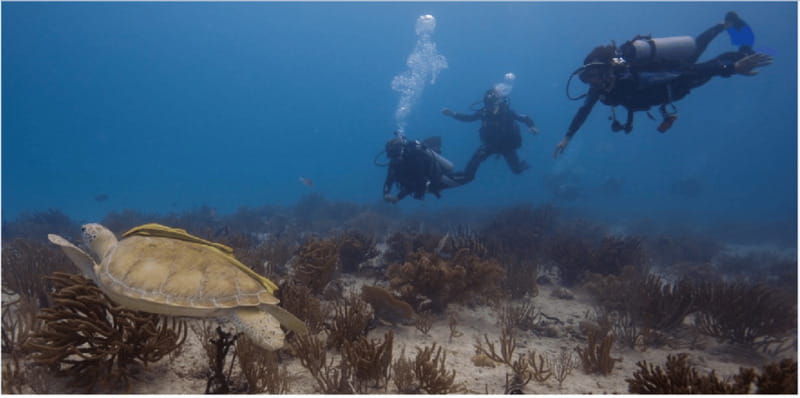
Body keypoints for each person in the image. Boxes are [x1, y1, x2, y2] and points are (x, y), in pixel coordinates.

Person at [554, 11, 773, 158]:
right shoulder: (598, 89)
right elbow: (584, 111)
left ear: (607, 70)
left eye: (595, 75)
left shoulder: (632, 78)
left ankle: (742, 52)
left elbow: (684, 73)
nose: (593, 83)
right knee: (695, 48)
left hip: (678, 81)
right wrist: (567, 137)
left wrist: (730, 69)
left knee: (706, 62)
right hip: (673, 79)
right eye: (588, 79)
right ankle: (725, 24)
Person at [442, 88, 539, 184]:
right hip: (490, 145)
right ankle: (461, 177)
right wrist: (453, 114)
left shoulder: (507, 112)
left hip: (507, 145)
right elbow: (469, 118)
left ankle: (524, 165)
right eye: (487, 105)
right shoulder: (484, 113)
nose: (490, 108)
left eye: (492, 105)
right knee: (472, 167)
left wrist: (532, 126)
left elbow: (525, 118)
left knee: (517, 170)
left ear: (498, 103)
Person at [382, 135, 460, 203]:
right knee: (467, 177)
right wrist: (386, 194)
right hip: (425, 186)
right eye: (392, 155)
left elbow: (418, 182)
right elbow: (389, 180)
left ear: (401, 149)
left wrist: (398, 197)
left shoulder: (414, 158)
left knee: (467, 177)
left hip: (437, 179)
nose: (396, 158)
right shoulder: (394, 164)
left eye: (396, 152)